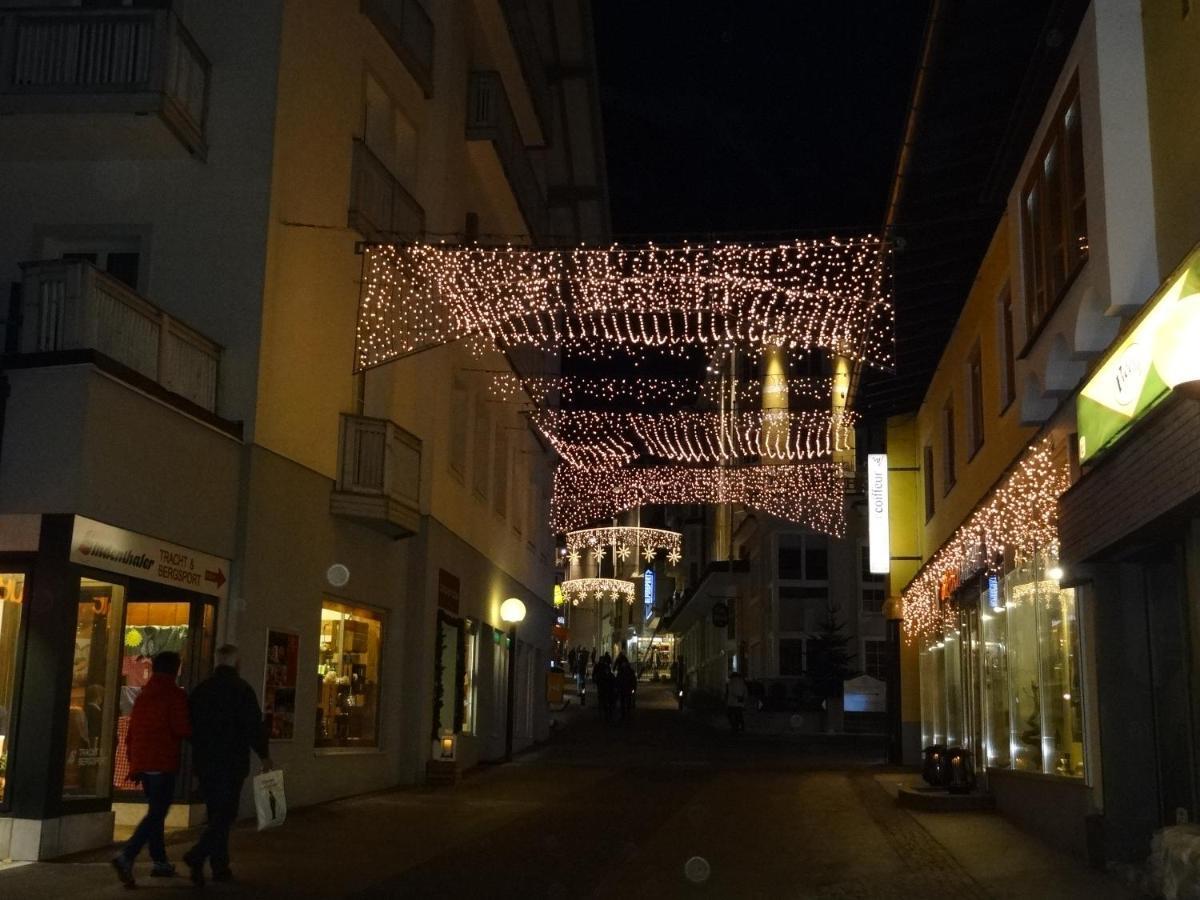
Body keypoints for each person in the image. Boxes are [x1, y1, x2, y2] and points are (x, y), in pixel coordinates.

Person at [183, 645, 272, 886]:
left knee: (215, 813)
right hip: (232, 761)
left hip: (206, 761)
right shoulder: (242, 690)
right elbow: (253, 725)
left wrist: (201, 747)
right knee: (226, 813)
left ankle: (215, 864)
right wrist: (264, 755)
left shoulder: (202, 690)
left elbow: (188, 725)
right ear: (236, 662)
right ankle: (200, 855)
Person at [111, 651, 191, 887]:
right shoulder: (174, 695)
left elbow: (134, 729)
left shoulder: (145, 694)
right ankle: (128, 855)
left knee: (155, 810)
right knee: (158, 811)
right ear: (175, 669)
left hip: (143, 761)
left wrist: (133, 759)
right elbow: (182, 728)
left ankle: (160, 860)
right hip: (162, 760)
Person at [593, 653, 615, 722]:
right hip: (604, 683)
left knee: (601, 695)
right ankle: (604, 708)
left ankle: (602, 706)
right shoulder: (604, 666)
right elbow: (610, 675)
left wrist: (595, 680)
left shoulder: (599, 666)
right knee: (604, 695)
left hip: (601, 683)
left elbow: (594, 674)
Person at [726, 669, 749, 734]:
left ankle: (735, 727)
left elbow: (731, 691)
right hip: (740, 702)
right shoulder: (742, 682)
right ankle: (741, 727)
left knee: (730, 714)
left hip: (732, 702)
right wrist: (743, 698)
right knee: (739, 715)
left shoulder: (732, 682)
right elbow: (745, 691)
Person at [614, 654, 636, 721]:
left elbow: (617, 680)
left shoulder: (621, 671)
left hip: (623, 688)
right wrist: (634, 688)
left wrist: (617, 687)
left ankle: (624, 714)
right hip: (627, 688)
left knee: (623, 701)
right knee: (627, 701)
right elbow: (633, 680)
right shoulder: (630, 671)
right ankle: (627, 713)